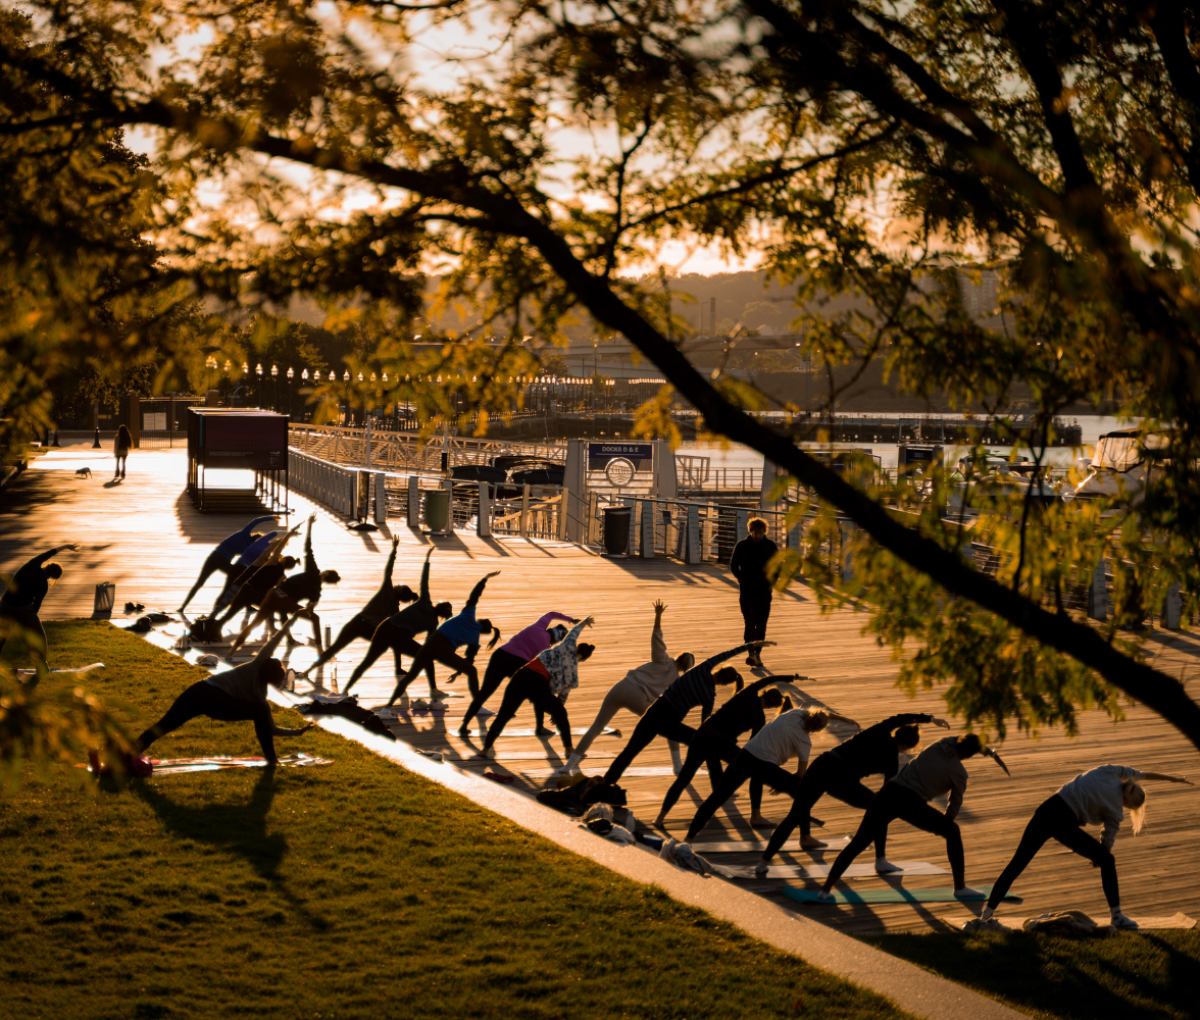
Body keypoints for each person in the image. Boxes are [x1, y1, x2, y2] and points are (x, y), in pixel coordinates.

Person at [980, 764, 1194, 929]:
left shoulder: (1110, 771)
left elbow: (1144, 774)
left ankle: (985, 917)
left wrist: (1171, 778)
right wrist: (1097, 857)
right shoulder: (1116, 812)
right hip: (1064, 821)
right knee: (1108, 861)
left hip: (1048, 808)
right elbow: (1107, 842)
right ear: (1129, 805)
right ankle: (1117, 916)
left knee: (1016, 864)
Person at [816, 734, 1007, 901]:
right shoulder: (959, 773)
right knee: (953, 831)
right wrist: (945, 823)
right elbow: (954, 806)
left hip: (888, 791)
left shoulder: (941, 744)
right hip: (910, 802)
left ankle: (824, 891)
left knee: (858, 843)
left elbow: (957, 739)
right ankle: (960, 888)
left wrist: (987, 750)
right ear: (969, 755)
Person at [756, 712, 950, 875]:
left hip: (822, 764)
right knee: (881, 808)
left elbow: (899, 717)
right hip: (841, 779)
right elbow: (888, 792)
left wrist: (930, 719)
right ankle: (880, 860)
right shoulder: (892, 760)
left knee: (794, 816)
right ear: (907, 746)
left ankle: (762, 863)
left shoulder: (880, 730)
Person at [134, 612, 313, 763]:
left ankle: (128, 752)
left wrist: (298, 733)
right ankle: (271, 760)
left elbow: (269, 729)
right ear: (273, 678)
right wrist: (295, 617)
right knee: (261, 710)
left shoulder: (259, 688)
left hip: (198, 690)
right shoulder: (258, 677)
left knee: (163, 726)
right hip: (214, 697)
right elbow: (276, 638)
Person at [602, 639, 773, 785]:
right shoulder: (709, 697)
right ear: (725, 684)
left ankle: (606, 783)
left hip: (656, 711)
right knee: (706, 744)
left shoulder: (703, 668)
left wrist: (751, 645)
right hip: (671, 722)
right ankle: (720, 783)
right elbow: (705, 724)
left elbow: (728, 653)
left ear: (719, 671)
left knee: (630, 751)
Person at [683, 702, 859, 841]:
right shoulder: (804, 742)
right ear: (816, 730)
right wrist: (780, 784)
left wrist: (844, 719)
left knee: (716, 799)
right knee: (801, 791)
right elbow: (800, 774)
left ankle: (689, 838)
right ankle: (806, 837)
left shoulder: (795, 713)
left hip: (745, 756)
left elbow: (822, 713)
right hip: (765, 766)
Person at [556, 600, 694, 776]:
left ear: (678, 657)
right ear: (687, 668)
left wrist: (658, 615)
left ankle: (569, 766)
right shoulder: (677, 681)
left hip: (621, 688)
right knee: (670, 727)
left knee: (596, 728)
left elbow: (656, 636)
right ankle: (677, 765)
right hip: (639, 698)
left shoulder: (662, 659)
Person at [657, 675, 793, 827]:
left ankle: (660, 819)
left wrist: (791, 677)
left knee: (684, 778)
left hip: (702, 735)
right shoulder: (759, 718)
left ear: (764, 693)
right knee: (754, 771)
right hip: (720, 744)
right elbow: (753, 746)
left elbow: (766, 680)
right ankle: (755, 815)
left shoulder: (748, 693)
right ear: (772, 707)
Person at [476, 617, 597, 758]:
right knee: (562, 713)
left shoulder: (567, 646)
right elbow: (563, 695)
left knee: (504, 715)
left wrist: (584, 622)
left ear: (576, 647)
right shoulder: (573, 674)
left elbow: (575, 631)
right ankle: (569, 749)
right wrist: (556, 713)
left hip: (521, 676)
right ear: (584, 659)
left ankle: (485, 749)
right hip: (538, 684)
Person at [342, 548, 453, 696]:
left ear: (438, 605)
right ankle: (434, 690)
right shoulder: (433, 622)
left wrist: (427, 558)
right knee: (427, 659)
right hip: (399, 635)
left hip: (385, 628)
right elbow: (429, 645)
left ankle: (345, 691)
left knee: (367, 662)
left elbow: (424, 579)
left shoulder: (425, 601)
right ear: (443, 616)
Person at [301, 536, 413, 675]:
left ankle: (307, 671)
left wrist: (394, 549)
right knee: (395, 642)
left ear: (399, 591)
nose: (398, 585)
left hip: (357, 622)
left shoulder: (387, 590)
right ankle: (398, 669)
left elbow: (388, 569)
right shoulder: (395, 610)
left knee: (334, 648)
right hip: (371, 630)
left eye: (400, 586)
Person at [229, 515, 340, 654]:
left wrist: (310, 525)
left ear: (326, 574)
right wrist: (301, 611)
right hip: (285, 602)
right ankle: (319, 649)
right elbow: (310, 607)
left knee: (257, 622)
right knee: (313, 618)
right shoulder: (316, 590)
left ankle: (231, 652)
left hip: (273, 595)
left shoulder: (312, 570)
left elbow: (308, 547)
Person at [388, 570, 501, 705]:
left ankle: (388, 707)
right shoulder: (474, 639)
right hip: (444, 650)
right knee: (472, 671)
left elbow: (475, 595)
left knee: (410, 676)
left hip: (431, 642)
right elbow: (469, 661)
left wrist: (485, 578)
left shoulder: (468, 613)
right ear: (484, 631)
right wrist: (457, 673)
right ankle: (478, 706)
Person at [459, 610, 576, 735]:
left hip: (500, 655)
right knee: (539, 692)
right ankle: (540, 727)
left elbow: (552, 614)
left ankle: (464, 725)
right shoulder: (547, 648)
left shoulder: (540, 625)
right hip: (517, 663)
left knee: (484, 692)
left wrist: (570, 619)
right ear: (555, 640)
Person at [0, 544, 79, 677]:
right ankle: (42, 666)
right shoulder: (44, 585)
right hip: (23, 609)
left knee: (1, 638)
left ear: (47, 565)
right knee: (41, 637)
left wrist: (65, 547)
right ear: (53, 578)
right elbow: (36, 607)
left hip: (5, 604)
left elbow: (49, 552)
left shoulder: (32, 564)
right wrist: (25, 623)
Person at [179, 515, 277, 612]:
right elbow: (255, 559)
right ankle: (247, 605)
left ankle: (183, 607)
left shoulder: (244, 534)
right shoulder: (248, 542)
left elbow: (255, 521)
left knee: (200, 582)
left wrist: (271, 518)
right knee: (241, 579)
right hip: (223, 562)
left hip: (214, 557)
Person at [730, 517, 777, 667]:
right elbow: (733, 565)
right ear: (750, 531)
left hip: (764, 592)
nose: (758, 536)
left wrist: (772, 581)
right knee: (749, 623)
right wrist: (741, 579)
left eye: (761, 533)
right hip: (747, 592)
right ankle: (751, 653)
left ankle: (757, 654)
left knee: (761, 624)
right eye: (755, 533)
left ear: (764, 532)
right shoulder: (742, 546)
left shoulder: (770, 546)